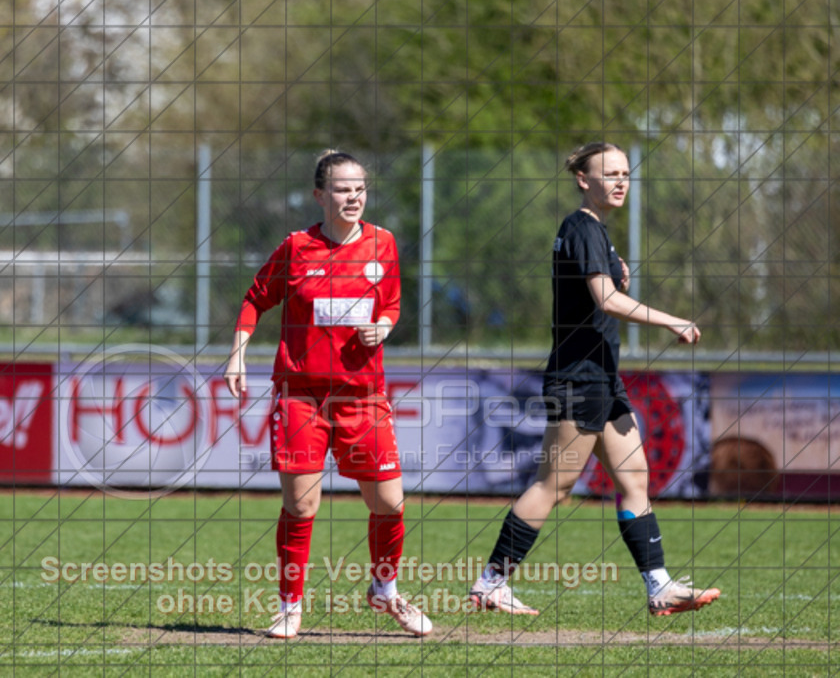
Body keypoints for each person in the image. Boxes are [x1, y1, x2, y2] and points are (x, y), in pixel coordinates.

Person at [469, 142, 721, 617]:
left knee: (635, 479)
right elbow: (605, 300)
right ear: (585, 180)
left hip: (601, 378)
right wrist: (671, 320)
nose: (622, 181)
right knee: (554, 485)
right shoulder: (582, 226)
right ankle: (490, 584)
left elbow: (596, 290)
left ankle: (659, 586)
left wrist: (613, 270)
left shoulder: (594, 233)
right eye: (611, 173)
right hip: (578, 379)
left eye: (626, 172)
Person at [224, 150, 432, 639]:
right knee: (301, 507)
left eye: (360, 188)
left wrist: (382, 326)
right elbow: (257, 297)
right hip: (301, 397)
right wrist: (237, 353)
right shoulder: (297, 247)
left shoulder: (383, 243)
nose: (354, 197)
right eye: (342, 189)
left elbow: (393, 305)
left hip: (363, 398)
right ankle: (289, 605)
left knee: (389, 503)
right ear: (320, 195)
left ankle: (385, 590)